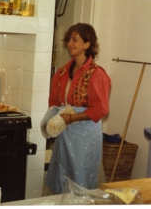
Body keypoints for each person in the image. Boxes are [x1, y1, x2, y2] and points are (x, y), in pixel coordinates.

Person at [43, 23, 111, 195]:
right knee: (63, 178)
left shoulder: (97, 74)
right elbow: (53, 101)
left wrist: (71, 118)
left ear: (87, 44)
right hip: (65, 134)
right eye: (69, 40)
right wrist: (54, 118)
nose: (70, 44)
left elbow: (101, 109)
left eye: (75, 40)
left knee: (82, 183)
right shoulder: (62, 72)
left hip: (85, 138)